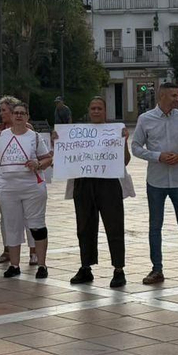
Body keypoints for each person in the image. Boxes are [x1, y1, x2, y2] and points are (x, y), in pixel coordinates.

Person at [132, 80, 178, 286]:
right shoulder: (145, 119)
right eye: (173, 95)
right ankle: (157, 269)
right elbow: (135, 147)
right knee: (155, 226)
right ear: (161, 96)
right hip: (156, 180)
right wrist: (157, 156)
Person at [63, 96, 129, 288]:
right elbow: (65, 155)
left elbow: (125, 161)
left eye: (99, 108)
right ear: (89, 111)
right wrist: (58, 140)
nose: (96, 111)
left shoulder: (114, 131)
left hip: (109, 183)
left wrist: (124, 141)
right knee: (84, 227)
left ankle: (118, 269)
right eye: (93, 108)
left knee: (114, 226)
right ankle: (86, 267)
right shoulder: (78, 133)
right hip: (83, 183)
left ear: (105, 111)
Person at [0, 100, 52, 278]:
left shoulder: (34, 137)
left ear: (27, 117)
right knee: (11, 226)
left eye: (22, 113)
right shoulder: (2, 136)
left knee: (37, 226)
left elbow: (48, 158)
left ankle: (42, 265)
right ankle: (14, 265)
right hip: (8, 188)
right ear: (12, 115)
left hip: (32, 187)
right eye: (16, 113)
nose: (18, 116)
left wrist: (38, 164)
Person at [0, 95, 38, 266]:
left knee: (29, 217)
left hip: (26, 182)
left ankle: (34, 251)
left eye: (3, 110)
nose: (1, 113)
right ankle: (8, 250)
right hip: (6, 181)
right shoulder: (0, 131)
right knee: (7, 218)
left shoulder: (27, 129)